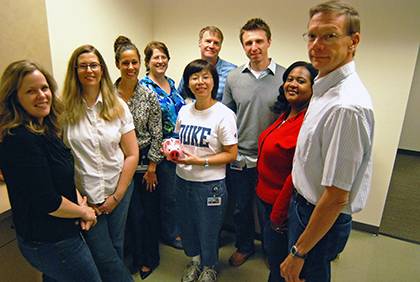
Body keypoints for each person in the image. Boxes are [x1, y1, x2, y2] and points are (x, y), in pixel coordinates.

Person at [280, 1, 375, 282]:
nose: (316, 45)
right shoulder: (324, 85)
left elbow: (335, 197)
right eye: (312, 35)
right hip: (303, 207)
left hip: (318, 216)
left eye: (329, 35)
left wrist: (299, 253)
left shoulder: (347, 106)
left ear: (353, 41)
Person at [0, 60, 101, 282]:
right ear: (14, 98)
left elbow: (61, 175)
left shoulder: (43, 128)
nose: (42, 95)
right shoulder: (19, 139)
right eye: (30, 91)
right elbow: (47, 200)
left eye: (44, 88)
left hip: (63, 232)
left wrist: (80, 205)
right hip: (51, 241)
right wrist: (84, 212)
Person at [62, 44, 138, 282]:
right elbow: (59, 161)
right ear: (75, 71)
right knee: (101, 254)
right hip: (85, 198)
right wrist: (80, 201)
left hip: (119, 190)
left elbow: (132, 154)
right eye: (82, 66)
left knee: (116, 245)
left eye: (94, 65)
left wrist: (116, 197)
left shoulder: (118, 106)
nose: (89, 70)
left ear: (102, 70)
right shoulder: (62, 109)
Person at [222, 18, 286, 267]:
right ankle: (245, 246)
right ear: (243, 46)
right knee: (240, 208)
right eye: (248, 42)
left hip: (273, 160)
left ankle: (273, 251)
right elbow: (227, 116)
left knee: (271, 211)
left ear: (269, 41)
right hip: (240, 158)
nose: (254, 46)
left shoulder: (286, 77)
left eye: (259, 41)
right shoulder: (234, 78)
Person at [172, 59, 238, 282]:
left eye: (205, 77)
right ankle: (195, 261)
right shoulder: (184, 111)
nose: (200, 82)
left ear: (214, 81)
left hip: (210, 185)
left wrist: (201, 162)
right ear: (188, 82)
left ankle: (209, 266)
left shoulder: (224, 114)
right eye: (194, 77)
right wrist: (171, 150)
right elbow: (178, 139)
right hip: (182, 180)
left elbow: (231, 154)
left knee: (208, 230)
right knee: (187, 226)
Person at [256, 62, 318, 282]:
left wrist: (278, 214)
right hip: (265, 198)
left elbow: (296, 174)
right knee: (273, 259)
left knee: (281, 265)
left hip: (281, 207)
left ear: (314, 88)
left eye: (301, 81)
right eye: (289, 79)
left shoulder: (307, 123)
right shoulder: (285, 115)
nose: (292, 84)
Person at [114, 36, 164, 279]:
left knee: (146, 214)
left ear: (140, 64)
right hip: (118, 163)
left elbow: (157, 133)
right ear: (117, 65)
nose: (130, 67)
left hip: (146, 163)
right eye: (125, 63)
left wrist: (153, 166)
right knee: (128, 215)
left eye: (134, 62)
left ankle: (148, 259)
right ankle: (131, 258)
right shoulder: (110, 96)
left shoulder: (149, 95)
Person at [140, 41, 185, 251]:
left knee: (176, 194)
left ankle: (175, 228)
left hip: (178, 149)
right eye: (155, 57)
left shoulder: (172, 83)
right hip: (158, 152)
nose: (160, 61)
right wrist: (153, 163)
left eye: (163, 57)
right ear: (147, 62)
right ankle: (170, 233)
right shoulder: (144, 87)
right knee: (169, 196)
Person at [178, 26, 236, 101]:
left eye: (216, 43)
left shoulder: (232, 71)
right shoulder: (191, 69)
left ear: (220, 47)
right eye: (208, 41)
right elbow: (179, 97)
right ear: (200, 43)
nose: (211, 46)